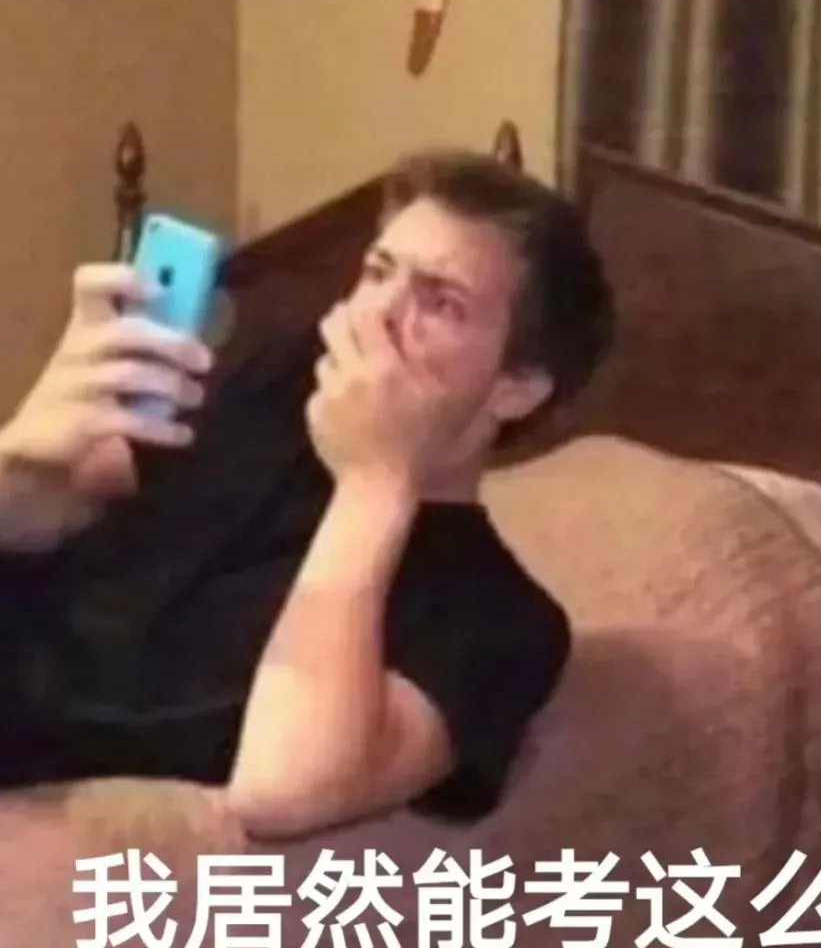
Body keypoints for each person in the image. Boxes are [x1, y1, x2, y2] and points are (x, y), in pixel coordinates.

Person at [0, 150, 615, 840]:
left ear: (516, 388)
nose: (377, 314)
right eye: (378, 272)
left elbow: (281, 790)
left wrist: (375, 480)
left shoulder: (500, 619)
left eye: (441, 302)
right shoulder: (282, 383)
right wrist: (21, 453)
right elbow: (59, 509)